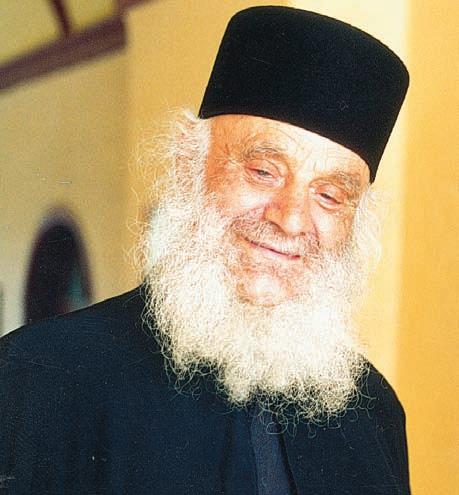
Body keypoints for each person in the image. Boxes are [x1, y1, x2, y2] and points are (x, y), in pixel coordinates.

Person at [0, 6, 410, 494]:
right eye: (263, 172)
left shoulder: (375, 413)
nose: (291, 219)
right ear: (187, 165)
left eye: (330, 196)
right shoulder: (38, 376)